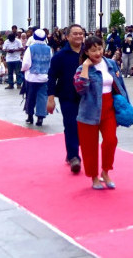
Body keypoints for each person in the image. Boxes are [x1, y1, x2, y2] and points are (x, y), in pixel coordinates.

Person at [74, 35, 130, 190]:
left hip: (109, 109)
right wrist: (86, 67)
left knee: (111, 141)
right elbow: (80, 89)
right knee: (89, 146)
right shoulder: (82, 68)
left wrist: (126, 104)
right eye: (93, 50)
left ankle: (105, 172)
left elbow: (120, 85)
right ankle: (94, 177)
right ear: (86, 52)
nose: (98, 53)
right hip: (89, 112)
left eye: (100, 48)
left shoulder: (111, 64)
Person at [47, 24, 84, 174]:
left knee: (84, 127)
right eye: (75, 33)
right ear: (67, 36)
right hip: (67, 96)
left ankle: (72, 153)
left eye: (81, 33)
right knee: (71, 125)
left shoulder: (88, 53)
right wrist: (50, 98)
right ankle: (74, 156)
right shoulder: (60, 56)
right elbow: (51, 77)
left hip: (86, 97)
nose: (79, 36)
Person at [21, 29, 52, 126]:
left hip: (32, 77)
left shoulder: (31, 48)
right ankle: (40, 118)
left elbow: (26, 63)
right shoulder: (48, 49)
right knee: (42, 97)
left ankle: (30, 116)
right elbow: (50, 62)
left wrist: (23, 69)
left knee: (30, 96)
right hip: (44, 77)